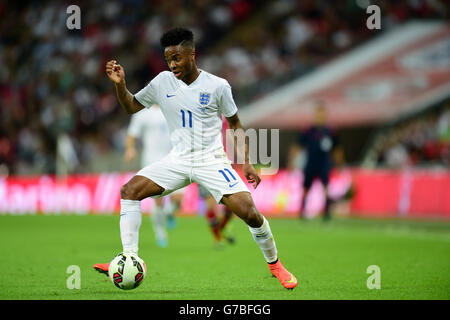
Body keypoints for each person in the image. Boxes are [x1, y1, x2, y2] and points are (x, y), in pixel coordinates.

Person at [94, 27, 297, 289]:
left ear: (192, 54)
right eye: (168, 59)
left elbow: (235, 124)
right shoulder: (162, 82)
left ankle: (275, 265)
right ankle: (128, 257)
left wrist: (246, 161)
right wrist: (121, 86)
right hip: (177, 160)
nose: (173, 64)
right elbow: (131, 106)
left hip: (211, 160)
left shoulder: (218, 86)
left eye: (177, 58)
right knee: (129, 190)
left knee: (250, 213)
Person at [124, 106, 179, 247]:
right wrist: (130, 149)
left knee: (178, 200)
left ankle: (169, 213)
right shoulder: (143, 114)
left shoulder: (173, 106)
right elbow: (132, 133)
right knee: (158, 200)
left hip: (174, 157)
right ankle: (160, 232)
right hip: (152, 160)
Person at [289, 103, 343, 221]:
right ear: (315, 115)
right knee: (306, 188)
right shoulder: (308, 130)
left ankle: (327, 213)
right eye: (318, 114)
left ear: (325, 115)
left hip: (324, 164)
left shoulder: (330, 131)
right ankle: (302, 211)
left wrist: (339, 164)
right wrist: (292, 161)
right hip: (310, 164)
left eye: (322, 114)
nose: (320, 116)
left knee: (326, 188)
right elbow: (297, 146)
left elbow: (337, 149)